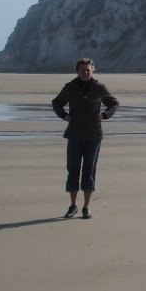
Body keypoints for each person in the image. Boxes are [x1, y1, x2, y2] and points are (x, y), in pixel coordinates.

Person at [51, 58, 119, 219]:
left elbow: (113, 103)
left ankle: (86, 207)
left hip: (93, 135)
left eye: (88, 69)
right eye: (82, 70)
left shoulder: (99, 87)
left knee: (89, 170)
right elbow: (56, 103)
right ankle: (73, 205)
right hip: (74, 134)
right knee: (73, 169)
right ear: (77, 71)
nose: (85, 72)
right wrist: (64, 115)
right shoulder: (70, 87)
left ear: (92, 70)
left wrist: (104, 115)